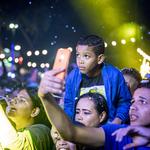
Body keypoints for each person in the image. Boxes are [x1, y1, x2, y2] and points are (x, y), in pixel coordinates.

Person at [38, 69, 150, 150]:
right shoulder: (118, 133)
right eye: (132, 102)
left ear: (102, 116)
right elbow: (71, 132)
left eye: (143, 102)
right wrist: (45, 96)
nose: (133, 107)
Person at [63, 34, 131, 124]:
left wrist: (117, 121)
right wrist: (71, 127)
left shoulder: (114, 75)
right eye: (78, 55)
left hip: (107, 129)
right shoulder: (72, 77)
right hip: (79, 130)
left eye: (86, 56)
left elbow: (124, 102)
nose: (80, 61)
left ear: (100, 59)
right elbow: (69, 104)